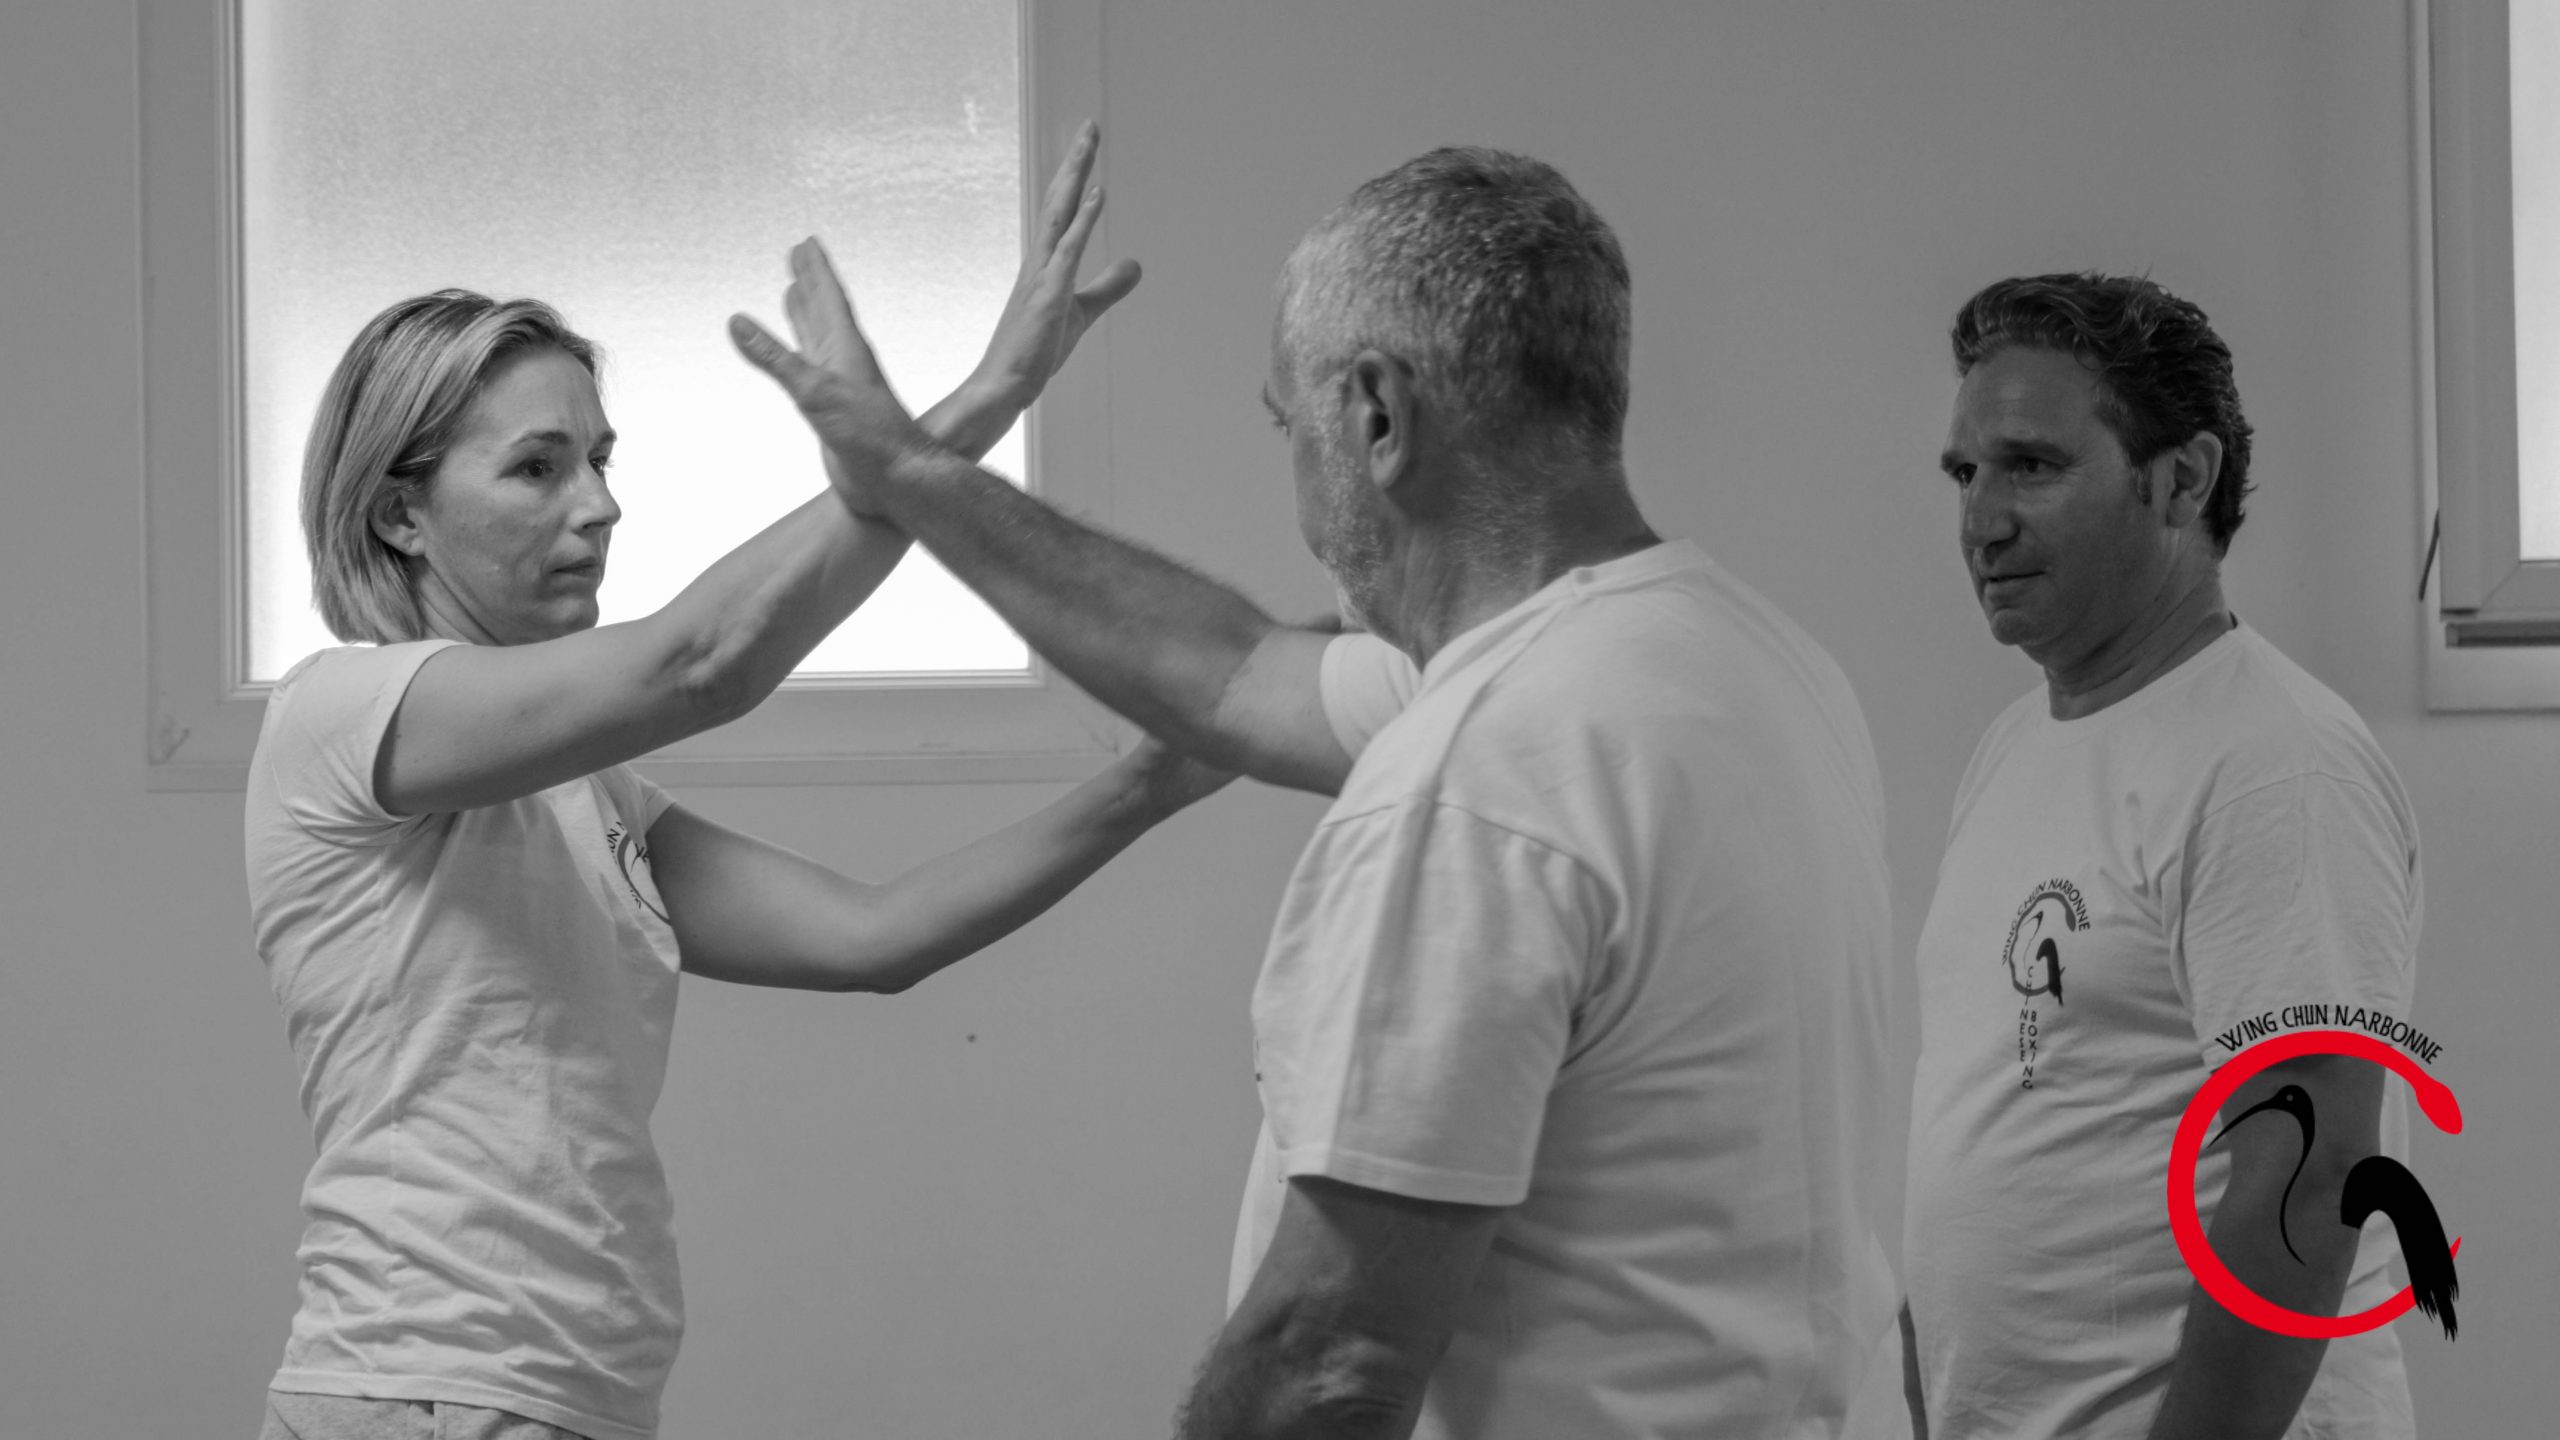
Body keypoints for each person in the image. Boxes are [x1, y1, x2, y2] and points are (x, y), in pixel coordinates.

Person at [732, 146, 1900, 1439]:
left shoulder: (1481, 770)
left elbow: (1327, 1368)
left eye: (1289, 426)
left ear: (1379, 418)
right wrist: (912, 473)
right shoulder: (1733, 664)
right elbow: (1232, 675)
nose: (1292, 471)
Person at [247, 129, 1226, 1440]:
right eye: (538, 467)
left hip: (562, 1403)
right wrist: (981, 403)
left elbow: (873, 936)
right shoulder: (343, 715)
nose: (598, 505)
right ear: (398, 514)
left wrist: (1155, 781)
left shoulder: (590, 802)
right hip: (422, 1398)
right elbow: (702, 662)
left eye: (600, 460)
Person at [1889, 272, 2422, 1438]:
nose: (1980, 521)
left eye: (2031, 465)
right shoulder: (2014, 746)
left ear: (2182, 479)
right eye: (1964, 474)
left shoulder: (2272, 761)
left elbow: (2310, 1172)